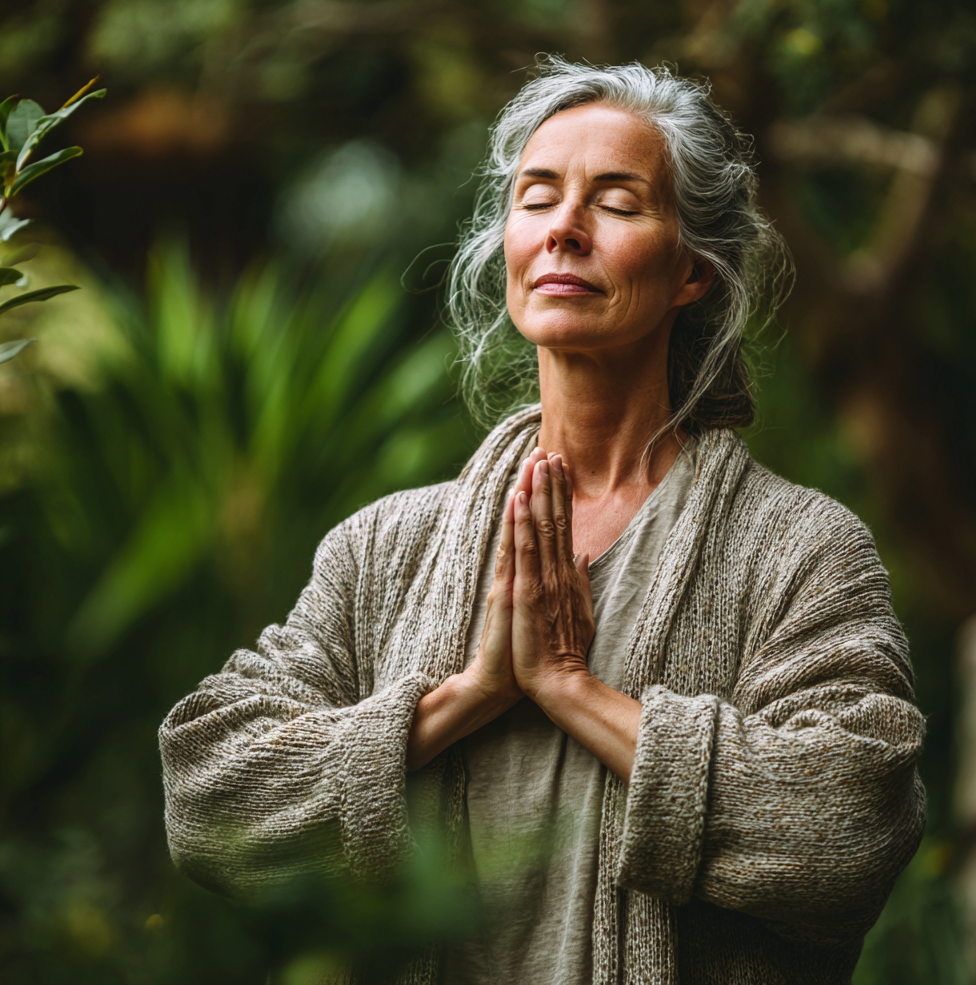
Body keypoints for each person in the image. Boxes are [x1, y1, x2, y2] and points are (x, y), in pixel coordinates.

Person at [160, 60, 925, 985]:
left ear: (691, 269)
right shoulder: (383, 551)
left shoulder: (799, 551)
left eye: (616, 201)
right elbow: (207, 794)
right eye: (537, 197)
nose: (565, 228)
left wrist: (572, 692)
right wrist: (464, 697)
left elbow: (850, 828)